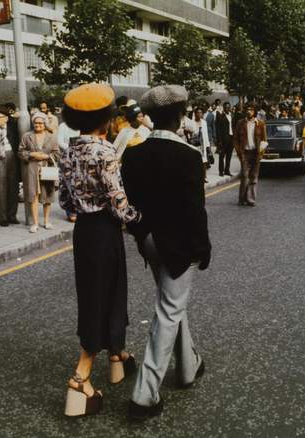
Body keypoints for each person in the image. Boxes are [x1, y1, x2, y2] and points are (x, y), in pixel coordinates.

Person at [120, 85, 211, 420]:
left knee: (171, 303)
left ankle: (188, 367)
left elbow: (131, 203)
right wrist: (203, 247)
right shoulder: (188, 155)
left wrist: (142, 234)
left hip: (149, 241)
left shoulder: (133, 153)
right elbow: (194, 210)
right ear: (179, 115)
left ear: (150, 116)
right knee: (169, 311)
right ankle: (144, 396)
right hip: (179, 244)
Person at [59, 83, 141, 417]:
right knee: (106, 295)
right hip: (106, 232)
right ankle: (80, 377)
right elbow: (117, 200)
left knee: (95, 293)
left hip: (84, 232)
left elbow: (66, 201)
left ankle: (117, 356)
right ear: (106, 119)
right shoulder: (104, 152)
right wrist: (137, 219)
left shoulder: (67, 151)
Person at [18, 112, 61, 233]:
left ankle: (47, 221)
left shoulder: (51, 137)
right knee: (33, 195)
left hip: (47, 169)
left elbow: (57, 153)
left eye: (41, 123)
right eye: (36, 123)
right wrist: (32, 154)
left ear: (45, 124)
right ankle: (35, 223)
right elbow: (20, 152)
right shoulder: (27, 136)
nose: (38, 125)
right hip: (31, 169)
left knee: (47, 194)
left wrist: (46, 156)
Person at [234, 103, 267, 206]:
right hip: (244, 153)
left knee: (254, 177)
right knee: (244, 176)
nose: (249, 111)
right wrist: (239, 152)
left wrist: (261, 153)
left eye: (251, 110)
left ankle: (251, 199)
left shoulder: (260, 124)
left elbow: (264, 140)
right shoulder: (240, 123)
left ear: (255, 112)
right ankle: (242, 198)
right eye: (247, 109)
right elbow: (235, 139)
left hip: (256, 153)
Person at [57, 121, 80, 223]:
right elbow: (59, 141)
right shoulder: (63, 126)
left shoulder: (81, 124)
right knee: (68, 184)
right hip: (67, 158)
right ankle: (71, 211)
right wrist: (72, 148)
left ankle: (80, 210)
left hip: (80, 157)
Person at [215, 101, 235, 177]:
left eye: (228, 107)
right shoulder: (220, 116)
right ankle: (221, 171)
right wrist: (219, 141)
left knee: (229, 155)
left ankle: (227, 170)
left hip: (231, 138)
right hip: (223, 139)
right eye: (226, 107)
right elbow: (218, 129)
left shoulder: (232, 115)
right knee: (222, 155)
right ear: (224, 108)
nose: (227, 109)